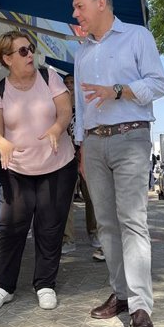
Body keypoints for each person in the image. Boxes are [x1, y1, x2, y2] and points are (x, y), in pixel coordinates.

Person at [72, 0, 164, 327]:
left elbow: (159, 83)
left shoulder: (137, 36)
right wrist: (82, 147)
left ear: (101, 3)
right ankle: (122, 294)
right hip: (94, 144)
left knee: (132, 221)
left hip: (131, 137)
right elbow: (82, 106)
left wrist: (119, 91)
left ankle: (142, 308)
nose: (75, 12)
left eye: (79, 5)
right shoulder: (82, 52)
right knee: (107, 225)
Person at [0, 31, 77, 311]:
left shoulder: (49, 78)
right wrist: (1, 142)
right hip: (17, 169)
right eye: (22, 52)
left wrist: (57, 129)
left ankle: (45, 284)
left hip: (57, 166)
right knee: (11, 229)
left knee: (49, 227)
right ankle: (4, 286)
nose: (30, 56)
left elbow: (65, 110)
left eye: (31, 49)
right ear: (7, 58)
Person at [61, 73, 103, 261]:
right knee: (66, 200)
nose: (69, 86)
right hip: (65, 157)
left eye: (72, 82)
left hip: (86, 154)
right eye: (66, 83)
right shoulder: (59, 106)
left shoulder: (85, 105)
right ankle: (68, 239)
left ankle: (94, 232)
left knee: (92, 197)